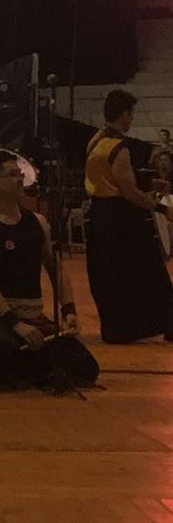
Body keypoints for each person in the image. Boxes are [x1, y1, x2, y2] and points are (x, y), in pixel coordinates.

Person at [0, 150, 99, 389]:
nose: (20, 179)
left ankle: (32, 369)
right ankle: (35, 369)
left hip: (32, 316)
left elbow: (56, 270)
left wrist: (69, 310)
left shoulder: (38, 223)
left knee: (85, 367)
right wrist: (16, 324)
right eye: (12, 174)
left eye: (20, 174)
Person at [84, 90, 173, 344]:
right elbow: (130, 192)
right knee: (148, 272)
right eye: (131, 113)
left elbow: (107, 178)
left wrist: (150, 183)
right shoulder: (119, 148)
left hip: (100, 216)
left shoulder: (96, 140)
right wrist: (163, 210)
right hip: (122, 219)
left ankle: (118, 329)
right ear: (124, 115)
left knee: (110, 276)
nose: (132, 118)